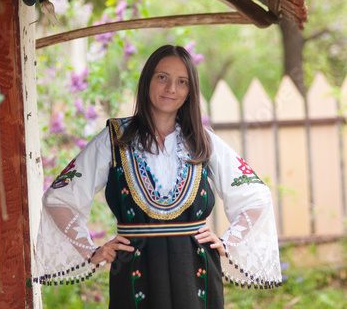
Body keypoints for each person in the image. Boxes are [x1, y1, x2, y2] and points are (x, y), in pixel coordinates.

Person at [33, 45, 282, 308]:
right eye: (162, 77)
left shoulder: (203, 142)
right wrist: (92, 250)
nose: (171, 88)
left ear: (189, 92)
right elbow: (59, 198)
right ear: (147, 81)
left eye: (182, 82)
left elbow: (256, 196)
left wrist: (228, 241)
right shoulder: (114, 140)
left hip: (196, 271)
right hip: (135, 270)